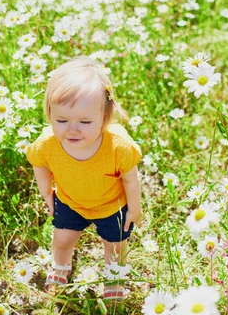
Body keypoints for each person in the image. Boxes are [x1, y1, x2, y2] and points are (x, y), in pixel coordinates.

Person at [26, 56, 142, 300]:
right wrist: (47, 194)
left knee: (115, 246)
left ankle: (114, 275)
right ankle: (61, 266)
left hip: (112, 205)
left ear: (105, 118)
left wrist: (134, 208)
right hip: (71, 202)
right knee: (62, 240)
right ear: (49, 115)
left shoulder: (118, 147)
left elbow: (131, 179)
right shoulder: (47, 144)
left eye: (85, 121)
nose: (73, 129)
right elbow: (39, 164)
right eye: (62, 120)